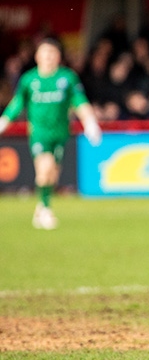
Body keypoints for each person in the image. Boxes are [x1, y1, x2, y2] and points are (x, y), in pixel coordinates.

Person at [0, 38, 102, 229]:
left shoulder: (67, 78)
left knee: (52, 175)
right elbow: (17, 104)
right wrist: (4, 121)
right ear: (37, 56)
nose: (48, 57)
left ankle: (41, 206)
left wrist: (90, 123)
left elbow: (79, 101)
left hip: (61, 133)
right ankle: (46, 210)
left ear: (58, 57)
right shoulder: (29, 80)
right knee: (44, 168)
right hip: (39, 134)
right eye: (45, 53)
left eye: (52, 53)